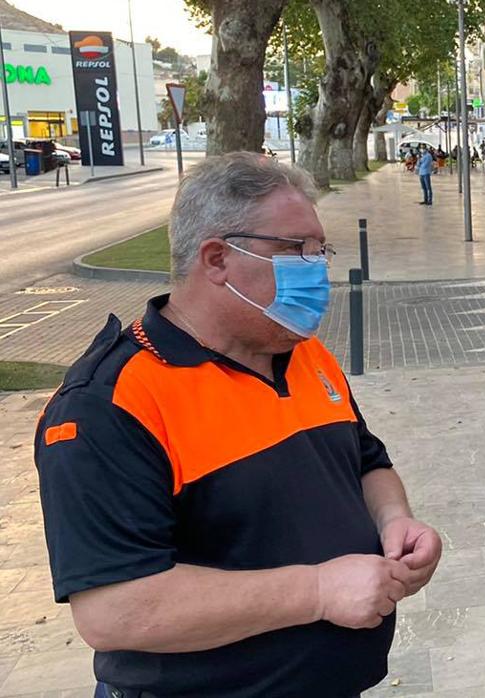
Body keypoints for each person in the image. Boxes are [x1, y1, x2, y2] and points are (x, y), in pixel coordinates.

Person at [33, 153, 443, 697]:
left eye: (320, 250)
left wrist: (395, 520)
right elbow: (114, 610)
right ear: (217, 259)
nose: (316, 268)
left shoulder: (303, 354)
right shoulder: (109, 404)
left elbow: (366, 460)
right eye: (296, 250)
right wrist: (317, 590)